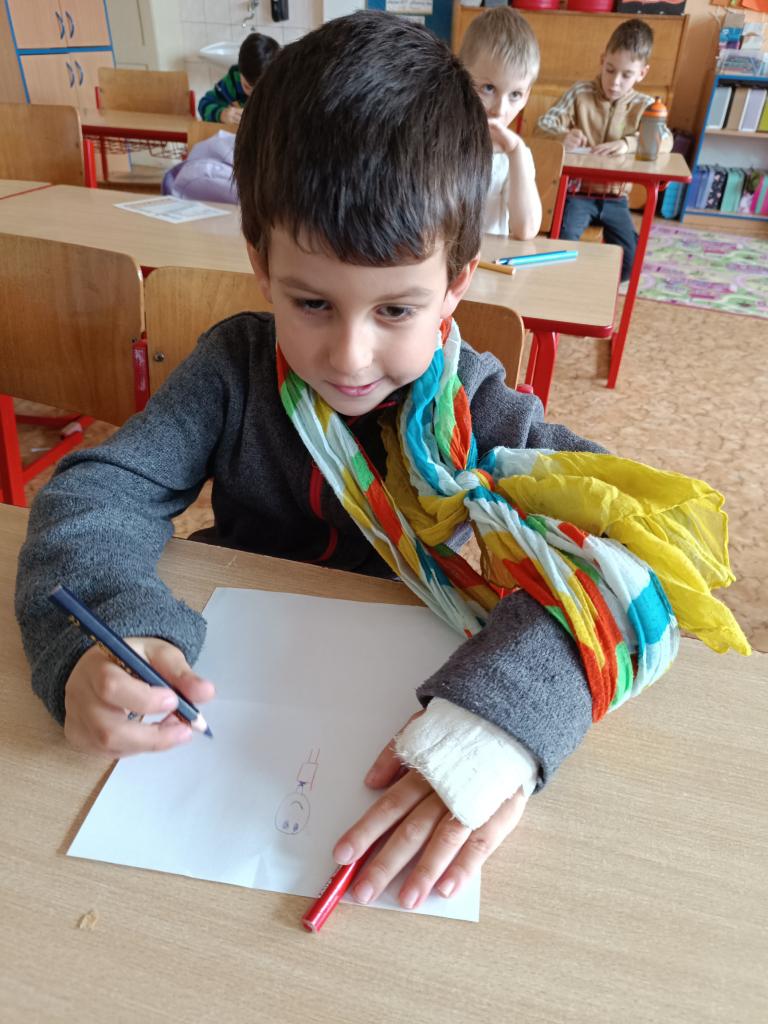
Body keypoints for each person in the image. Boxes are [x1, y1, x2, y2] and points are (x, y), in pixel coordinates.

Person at [15, 13, 746, 913]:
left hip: (403, 732)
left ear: (457, 283)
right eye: (311, 303)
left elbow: (635, 567)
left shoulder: (480, 409)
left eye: (396, 310)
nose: (349, 356)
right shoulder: (233, 369)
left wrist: (499, 731)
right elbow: (97, 490)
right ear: (261, 264)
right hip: (226, 738)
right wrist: (101, 635)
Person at [535, 18, 673, 282]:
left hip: (616, 198)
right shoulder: (580, 93)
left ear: (642, 73)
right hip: (576, 194)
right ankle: (565, 286)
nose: (615, 81)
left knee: (630, 262)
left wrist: (627, 144)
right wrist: (563, 136)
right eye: (610, 70)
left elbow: (666, 139)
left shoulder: (645, 105)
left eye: (626, 75)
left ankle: (594, 288)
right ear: (602, 60)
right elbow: (544, 124)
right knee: (560, 246)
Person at [459, 7, 541, 239]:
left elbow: (526, 229)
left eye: (515, 94)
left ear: (526, 96)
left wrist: (516, 153)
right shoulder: (441, 140)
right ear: (460, 77)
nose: (500, 109)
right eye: (488, 88)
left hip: (491, 260)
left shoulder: (514, 156)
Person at [197, 31, 280, 125]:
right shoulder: (234, 80)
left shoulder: (283, 85)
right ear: (240, 71)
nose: (254, 95)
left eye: (262, 90)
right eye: (247, 87)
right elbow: (204, 104)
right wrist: (221, 114)